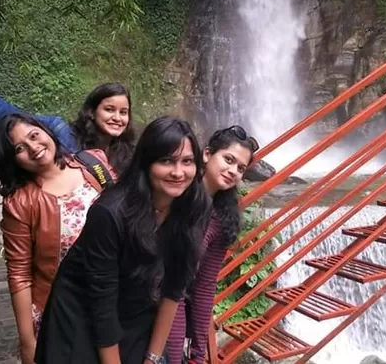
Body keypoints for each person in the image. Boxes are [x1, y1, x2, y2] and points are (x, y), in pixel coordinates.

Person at [35, 116, 211, 364]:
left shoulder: (194, 206)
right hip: (82, 312)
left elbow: (174, 287)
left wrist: (153, 357)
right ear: (146, 163)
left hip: (135, 305)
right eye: (167, 161)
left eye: (187, 162)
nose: (178, 172)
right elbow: (102, 302)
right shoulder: (110, 213)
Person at [0, 113, 116, 364]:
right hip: (61, 313)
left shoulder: (94, 163)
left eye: (34, 135)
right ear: (12, 160)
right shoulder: (20, 203)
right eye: (20, 148)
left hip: (114, 299)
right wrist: (28, 341)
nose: (34, 148)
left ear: (46, 131)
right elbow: (19, 274)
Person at [0, 18, 136, 173]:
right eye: (109, 109)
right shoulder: (61, 135)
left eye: (123, 112)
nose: (117, 118)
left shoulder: (130, 156)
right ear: (92, 111)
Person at [166, 125, 259, 364]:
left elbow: (205, 284)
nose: (233, 171)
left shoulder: (222, 217)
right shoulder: (175, 191)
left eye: (241, 168)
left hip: (172, 299)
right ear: (207, 154)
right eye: (228, 159)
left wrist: (199, 352)